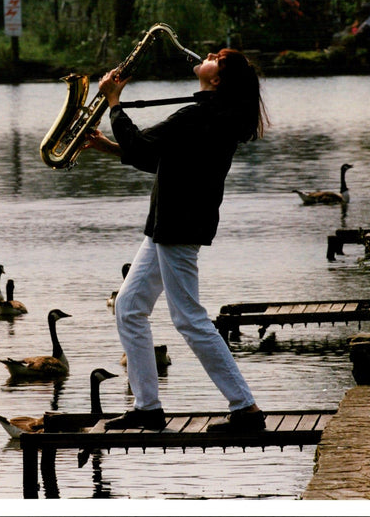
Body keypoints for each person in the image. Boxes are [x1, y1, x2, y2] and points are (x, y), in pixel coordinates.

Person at [82, 48, 269, 432]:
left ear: (216, 79)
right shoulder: (209, 115)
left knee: (189, 318)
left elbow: (141, 147)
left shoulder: (200, 115)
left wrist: (114, 102)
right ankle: (147, 408)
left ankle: (246, 409)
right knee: (128, 307)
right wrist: (107, 146)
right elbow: (156, 159)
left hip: (178, 226)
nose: (209, 53)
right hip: (169, 225)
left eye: (218, 56)